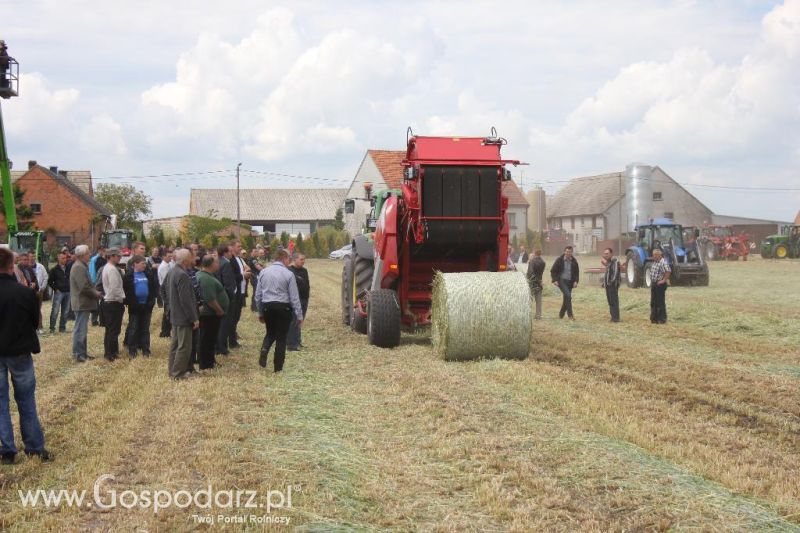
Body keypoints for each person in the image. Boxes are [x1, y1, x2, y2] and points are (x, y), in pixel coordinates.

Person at [0, 247, 51, 464]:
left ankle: (7, 450)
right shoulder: (25, 293)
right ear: (12, 267)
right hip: (20, 351)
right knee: (26, 401)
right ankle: (35, 447)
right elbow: (35, 322)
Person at [255, 249, 303, 372]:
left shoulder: (264, 272)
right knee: (281, 338)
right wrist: (299, 315)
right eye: (288, 259)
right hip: (283, 308)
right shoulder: (288, 274)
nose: (289, 261)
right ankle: (278, 367)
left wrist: (260, 311)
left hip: (268, 306)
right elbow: (294, 297)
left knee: (270, 332)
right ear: (284, 258)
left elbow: (258, 295)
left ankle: (264, 349)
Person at [166, 249, 199, 379]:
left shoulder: (172, 271)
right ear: (185, 261)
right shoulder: (182, 275)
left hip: (175, 315)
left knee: (175, 345)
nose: (192, 260)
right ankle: (178, 373)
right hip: (183, 317)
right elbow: (185, 300)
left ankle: (172, 371)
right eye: (191, 257)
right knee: (184, 346)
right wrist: (193, 318)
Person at [69, 245, 101, 362]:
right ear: (82, 255)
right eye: (88, 253)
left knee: (81, 329)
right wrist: (96, 293)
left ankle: (81, 353)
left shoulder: (81, 266)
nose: (90, 255)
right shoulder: (79, 267)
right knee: (80, 330)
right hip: (81, 303)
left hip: (82, 303)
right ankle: (79, 354)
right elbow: (84, 287)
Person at [122, 255, 158, 358]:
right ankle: (132, 350)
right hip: (135, 308)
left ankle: (146, 350)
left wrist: (151, 303)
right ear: (135, 264)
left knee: (145, 329)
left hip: (147, 307)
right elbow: (127, 292)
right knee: (134, 328)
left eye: (145, 263)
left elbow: (153, 290)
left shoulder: (148, 274)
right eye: (142, 263)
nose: (144, 265)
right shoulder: (129, 276)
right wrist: (133, 303)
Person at [196, 255, 228, 370]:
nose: (218, 264)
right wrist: (219, 310)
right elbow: (209, 299)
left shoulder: (206, 275)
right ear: (211, 264)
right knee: (207, 339)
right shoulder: (206, 278)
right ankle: (206, 364)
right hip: (209, 314)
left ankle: (210, 361)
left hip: (210, 314)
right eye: (217, 262)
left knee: (210, 338)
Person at [101, 249, 125, 361]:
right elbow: (115, 288)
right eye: (118, 256)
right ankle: (112, 354)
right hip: (113, 302)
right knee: (114, 330)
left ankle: (109, 352)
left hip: (109, 302)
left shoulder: (107, 268)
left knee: (110, 330)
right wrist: (121, 299)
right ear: (111, 256)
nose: (120, 258)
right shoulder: (112, 269)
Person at [215, 244, 238, 356]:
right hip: (224, 297)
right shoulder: (225, 263)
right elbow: (228, 283)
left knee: (218, 324)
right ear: (224, 252)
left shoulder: (216, 261)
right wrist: (230, 297)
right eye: (229, 252)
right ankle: (222, 348)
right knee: (224, 324)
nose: (231, 254)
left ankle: (217, 346)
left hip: (216, 297)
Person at [228, 240, 249, 348]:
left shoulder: (240, 259)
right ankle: (231, 341)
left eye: (241, 246)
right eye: (238, 246)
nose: (240, 248)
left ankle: (233, 335)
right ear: (232, 247)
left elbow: (246, 268)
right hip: (235, 292)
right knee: (232, 317)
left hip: (241, 291)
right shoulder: (231, 260)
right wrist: (242, 275)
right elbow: (231, 277)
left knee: (236, 316)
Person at [287, 253, 310, 351]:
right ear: (295, 259)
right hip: (295, 299)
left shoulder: (304, 270)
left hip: (304, 299)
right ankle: (291, 344)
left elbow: (306, 284)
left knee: (300, 321)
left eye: (304, 259)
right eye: (301, 259)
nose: (303, 261)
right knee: (294, 321)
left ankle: (297, 341)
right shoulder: (289, 270)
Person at [550, 245, 579, 320]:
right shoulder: (559, 260)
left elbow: (576, 273)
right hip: (561, 281)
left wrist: (576, 281)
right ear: (564, 252)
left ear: (572, 252)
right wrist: (554, 280)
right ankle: (570, 315)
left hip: (570, 282)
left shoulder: (574, 261)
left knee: (566, 298)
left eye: (570, 252)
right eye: (567, 251)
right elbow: (553, 271)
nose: (568, 253)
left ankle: (561, 314)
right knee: (568, 296)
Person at [47, 251, 72, 333]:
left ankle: (62, 327)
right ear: (58, 259)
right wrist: (55, 289)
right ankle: (52, 328)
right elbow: (50, 281)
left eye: (65, 258)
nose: (65, 260)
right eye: (63, 258)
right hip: (59, 292)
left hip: (68, 292)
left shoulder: (69, 268)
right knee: (55, 310)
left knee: (65, 311)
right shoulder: (54, 270)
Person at [650, 248, 670, 324]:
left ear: (660, 255)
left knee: (660, 302)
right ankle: (654, 318)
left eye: (656, 255)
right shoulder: (655, 262)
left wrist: (663, 280)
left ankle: (662, 319)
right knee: (653, 302)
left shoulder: (663, 262)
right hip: (654, 284)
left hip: (660, 285)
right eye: (653, 254)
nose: (654, 256)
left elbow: (668, 271)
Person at [601, 248, 621, 323]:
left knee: (614, 301)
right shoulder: (609, 262)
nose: (605, 255)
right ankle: (613, 317)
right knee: (610, 301)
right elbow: (607, 273)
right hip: (608, 285)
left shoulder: (615, 261)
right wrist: (604, 283)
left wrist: (611, 282)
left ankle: (616, 318)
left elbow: (615, 273)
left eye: (607, 253)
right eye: (605, 254)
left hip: (613, 285)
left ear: (611, 254)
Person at [157, 249, 174, 337]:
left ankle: (166, 331)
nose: (171, 258)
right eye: (168, 256)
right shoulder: (163, 267)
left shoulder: (169, 264)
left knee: (169, 311)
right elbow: (166, 281)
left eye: (171, 256)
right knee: (167, 312)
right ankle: (164, 332)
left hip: (169, 289)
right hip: (166, 290)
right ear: (163, 257)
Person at [88, 247, 106, 326]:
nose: (104, 252)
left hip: (93, 280)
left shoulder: (93, 258)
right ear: (99, 251)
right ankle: (96, 320)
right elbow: (98, 271)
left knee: (95, 302)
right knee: (98, 302)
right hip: (97, 281)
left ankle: (94, 320)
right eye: (103, 251)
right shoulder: (99, 260)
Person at [526, 249, 545, 320]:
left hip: (532, 283)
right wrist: (539, 281)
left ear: (535, 253)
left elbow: (530, 273)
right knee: (538, 300)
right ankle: (538, 315)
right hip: (539, 283)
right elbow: (541, 273)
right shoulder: (543, 262)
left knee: (529, 300)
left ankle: (527, 314)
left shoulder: (532, 262)